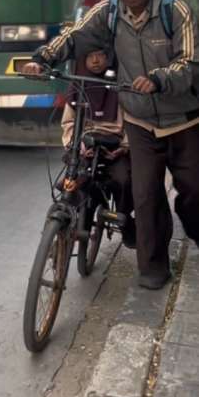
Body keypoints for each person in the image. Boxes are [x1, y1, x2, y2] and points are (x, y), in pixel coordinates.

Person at [24, 0, 199, 290]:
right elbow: (76, 35)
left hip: (185, 120)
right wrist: (43, 58)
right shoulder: (110, 10)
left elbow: (191, 62)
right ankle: (152, 267)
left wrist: (161, 78)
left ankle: (194, 226)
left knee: (194, 192)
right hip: (139, 120)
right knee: (145, 195)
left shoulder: (174, 9)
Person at [61, 49, 135, 249]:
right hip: (84, 144)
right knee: (72, 179)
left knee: (124, 180)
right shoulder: (77, 86)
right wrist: (76, 145)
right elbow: (68, 123)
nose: (94, 59)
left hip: (115, 146)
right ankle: (71, 222)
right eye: (89, 55)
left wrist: (124, 147)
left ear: (109, 57)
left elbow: (133, 121)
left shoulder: (121, 86)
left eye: (100, 55)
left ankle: (124, 220)